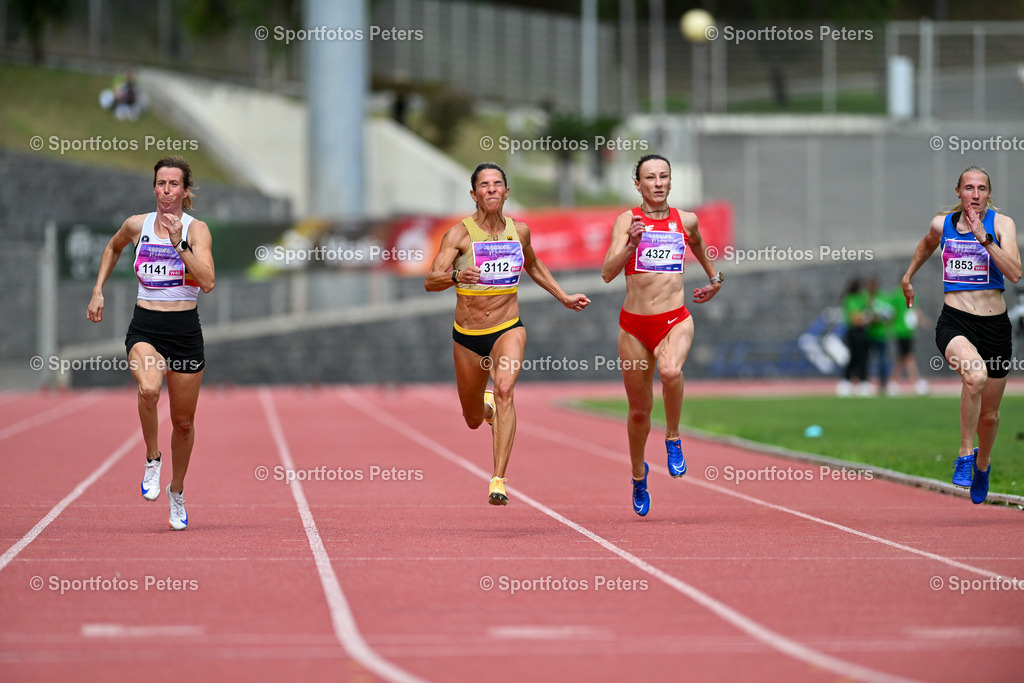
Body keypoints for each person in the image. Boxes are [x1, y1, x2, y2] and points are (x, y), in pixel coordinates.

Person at [424, 162, 590, 505]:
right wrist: (456, 276)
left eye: (497, 184)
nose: (491, 189)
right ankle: (484, 408)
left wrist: (563, 296)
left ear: (506, 191)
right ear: (474, 194)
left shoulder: (520, 231)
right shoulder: (459, 234)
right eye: (484, 185)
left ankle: (498, 480)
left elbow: (534, 265)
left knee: (504, 390)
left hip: (507, 327)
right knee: (473, 419)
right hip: (467, 336)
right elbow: (430, 280)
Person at [87, 156, 215, 529]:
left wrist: (180, 245)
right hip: (146, 326)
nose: (166, 190)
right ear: (154, 187)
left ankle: (177, 491)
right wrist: (98, 290)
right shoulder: (137, 225)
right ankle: (153, 458)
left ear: (186, 191)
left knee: (184, 423)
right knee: (148, 389)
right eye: (160, 183)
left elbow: (207, 282)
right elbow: (113, 247)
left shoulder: (197, 231)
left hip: (185, 331)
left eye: (174, 184)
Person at [601, 154, 723, 516]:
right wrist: (630, 246)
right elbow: (607, 273)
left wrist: (715, 278)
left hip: (675, 320)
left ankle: (673, 438)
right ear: (637, 185)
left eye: (663, 176)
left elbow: (697, 243)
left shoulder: (686, 220)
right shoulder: (626, 221)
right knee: (639, 412)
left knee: (670, 371)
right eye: (650, 177)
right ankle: (638, 476)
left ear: (670, 181)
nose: (658, 183)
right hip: (634, 327)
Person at [902, 165, 1021, 504]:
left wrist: (984, 238)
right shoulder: (943, 224)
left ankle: (983, 465)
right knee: (975, 376)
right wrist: (908, 276)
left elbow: (1015, 273)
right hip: (955, 322)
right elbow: (927, 244)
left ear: (989, 193)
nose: (975, 194)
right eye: (969, 188)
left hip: (995, 327)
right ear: (958, 192)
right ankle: (965, 454)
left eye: (982, 188)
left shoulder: (1002, 224)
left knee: (990, 415)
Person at [887, 282, 930, 395]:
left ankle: (893, 381)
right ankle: (915, 380)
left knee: (902, 356)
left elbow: (914, 311)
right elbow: (893, 312)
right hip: (901, 330)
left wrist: (924, 321)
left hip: (906, 331)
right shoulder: (898, 295)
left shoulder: (903, 295)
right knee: (908, 356)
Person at [836, 278, 870, 397]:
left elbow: (869, 311)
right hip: (853, 331)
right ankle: (846, 381)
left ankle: (863, 382)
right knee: (853, 357)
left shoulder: (863, 298)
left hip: (862, 331)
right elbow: (854, 318)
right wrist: (864, 317)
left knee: (863, 358)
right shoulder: (850, 299)